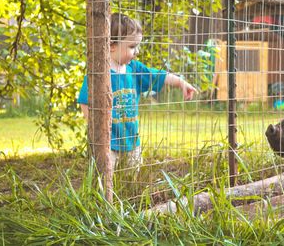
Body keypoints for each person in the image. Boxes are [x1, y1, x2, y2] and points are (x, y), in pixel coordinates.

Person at [78, 13, 197, 171]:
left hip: (132, 141)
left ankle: (131, 195)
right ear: (111, 45)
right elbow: (84, 101)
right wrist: (96, 129)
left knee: (132, 176)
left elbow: (158, 75)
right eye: (132, 47)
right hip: (108, 143)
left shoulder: (134, 69)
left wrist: (181, 83)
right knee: (105, 176)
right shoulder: (99, 73)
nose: (137, 52)